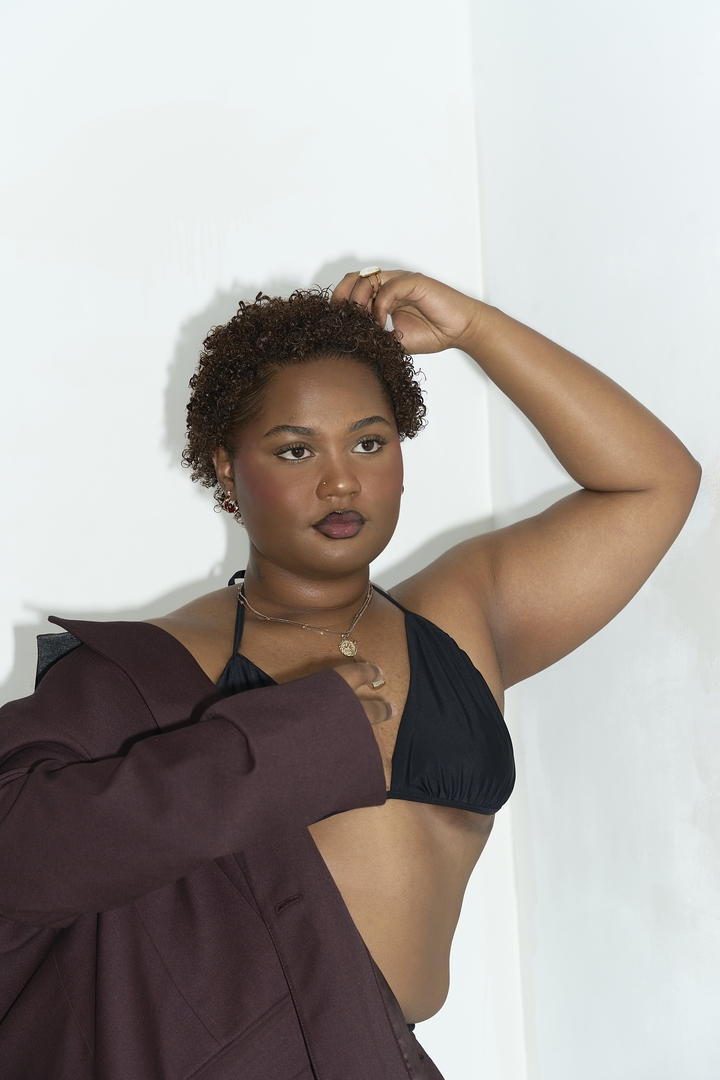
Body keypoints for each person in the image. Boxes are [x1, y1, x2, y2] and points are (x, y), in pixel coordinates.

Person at [0, 269, 700, 1080]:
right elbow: (21, 850)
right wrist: (280, 750)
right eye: (296, 450)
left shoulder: (459, 617)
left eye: (370, 442)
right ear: (226, 470)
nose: (341, 481)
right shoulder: (154, 670)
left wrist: (478, 330)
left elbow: (654, 484)